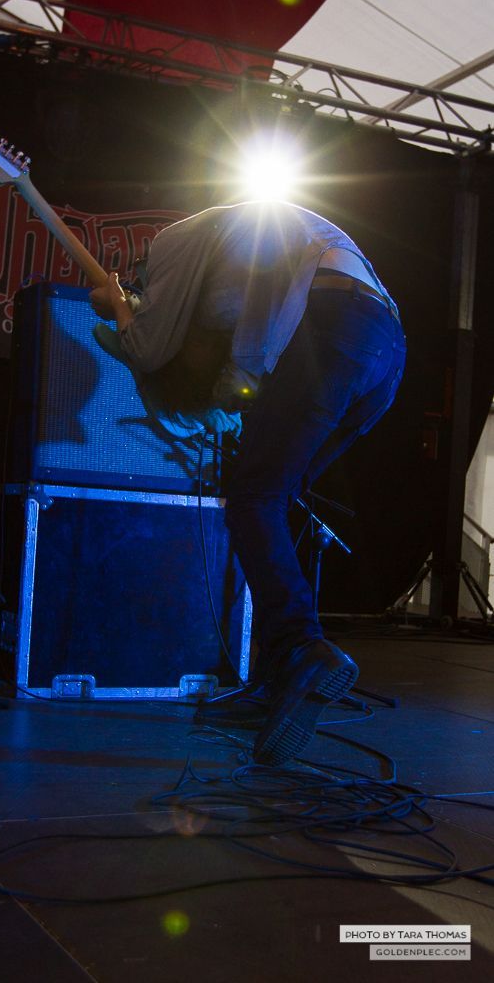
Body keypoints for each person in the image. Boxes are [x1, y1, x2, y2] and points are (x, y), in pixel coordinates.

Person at [90, 200, 406, 767]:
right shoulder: (243, 253)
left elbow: (150, 347)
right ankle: (271, 684)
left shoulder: (169, 245)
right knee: (279, 500)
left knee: (253, 500)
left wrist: (118, 306)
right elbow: (231, 359)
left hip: (329, 324)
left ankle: (303, 650)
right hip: (383, 347)